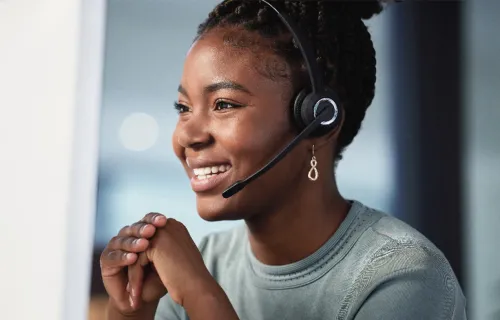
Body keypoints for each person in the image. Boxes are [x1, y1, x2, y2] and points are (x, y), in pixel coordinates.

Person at [100, 0, 467, 319]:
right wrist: (131, 311)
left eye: (224, 104)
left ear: (318, 120)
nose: (186, 137)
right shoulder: (207, 261)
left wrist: (201, 296)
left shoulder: (403, 277)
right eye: (183, 107)